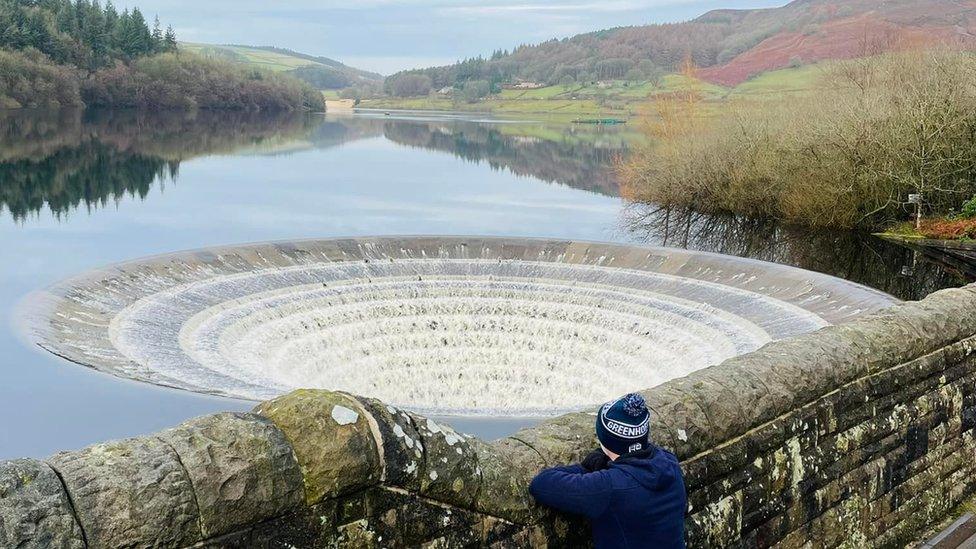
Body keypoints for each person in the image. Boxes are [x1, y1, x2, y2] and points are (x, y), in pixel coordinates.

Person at [529, 393, 687, 548]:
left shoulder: (609, 487)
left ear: (605, 439)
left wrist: (590, 466)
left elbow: (541, 483)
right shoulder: (669, 461)